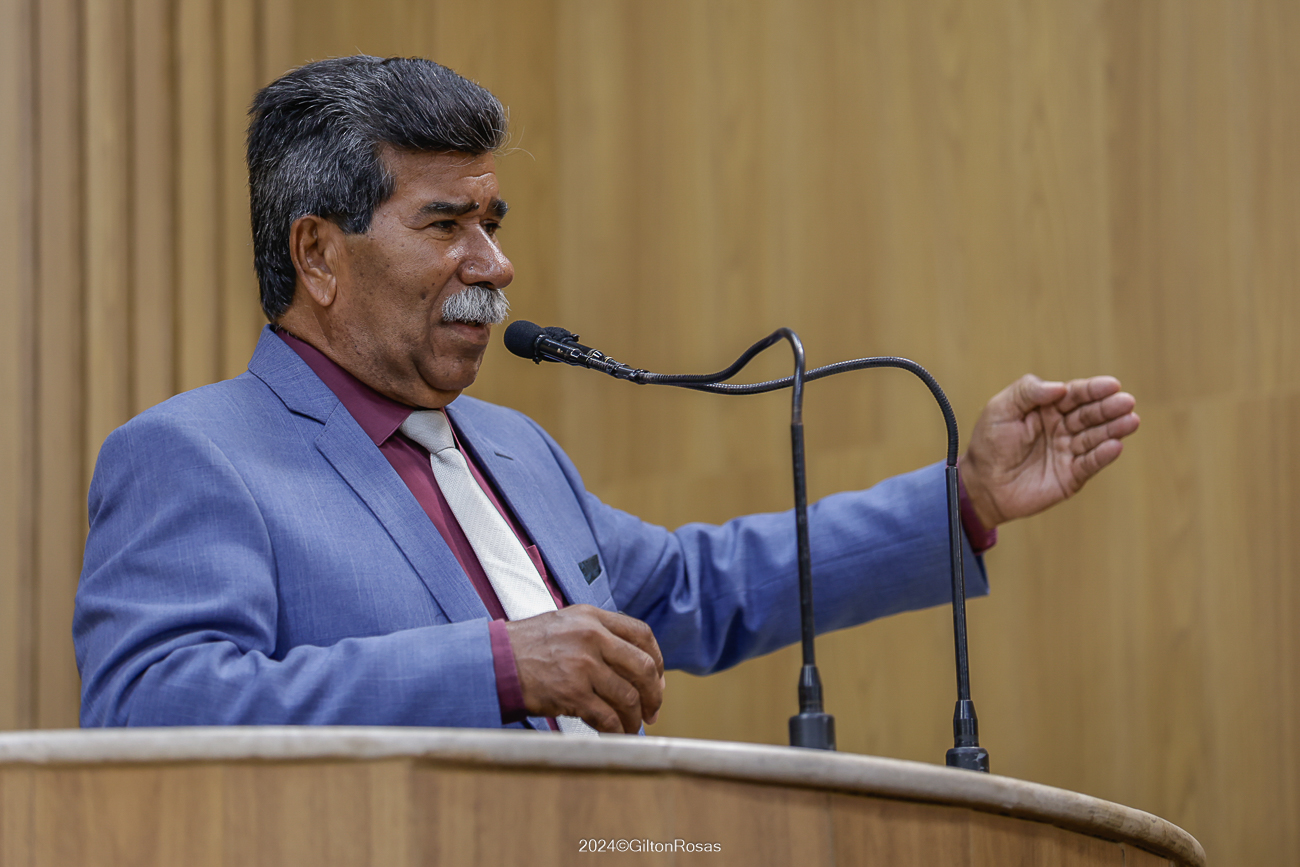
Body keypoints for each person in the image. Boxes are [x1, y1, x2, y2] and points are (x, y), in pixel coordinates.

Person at [73, 56, 1139, 735]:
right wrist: (495, 667)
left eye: (494, 224)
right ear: (318, 253)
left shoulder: (515, 449)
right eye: (447, 225)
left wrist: (964, 499)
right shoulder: (195, 455)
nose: (495, 265)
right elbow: (151, 706)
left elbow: (697, 591)